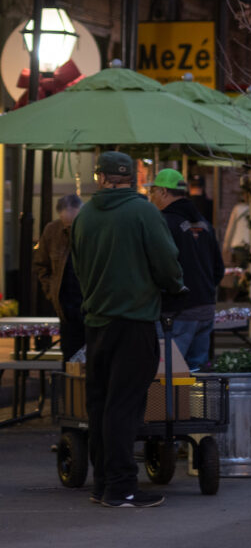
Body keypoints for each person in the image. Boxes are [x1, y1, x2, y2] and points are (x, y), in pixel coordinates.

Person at [71, 151, 184, 508]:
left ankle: (102, 483)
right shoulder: (143, 211)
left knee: (101, 405)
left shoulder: (85, 215)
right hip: (135, 321)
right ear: (132, 177)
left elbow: (77, 266)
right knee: (124, 407)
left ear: (100, 177)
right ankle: (122, 488)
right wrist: (173, 284)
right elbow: (167, 263)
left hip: (96, 321)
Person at [147, 169, 224, 372]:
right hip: (205, 307)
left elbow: (160, 266)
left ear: (163, 192)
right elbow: (218, 269)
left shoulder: (162, 223)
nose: (151, 197)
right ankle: (196, 406)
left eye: (153, 191)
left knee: (171, 374)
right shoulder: (204, 223)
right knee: (197, 372)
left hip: (176, 311)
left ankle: (172, 406)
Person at [33, 194, 84, 357]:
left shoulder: (91, 228)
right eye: (66, 223)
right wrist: (51, 290)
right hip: (65, 306)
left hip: (89, 305)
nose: (70, 228)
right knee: (69, 355)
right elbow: (41, 265)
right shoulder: (52, 231)